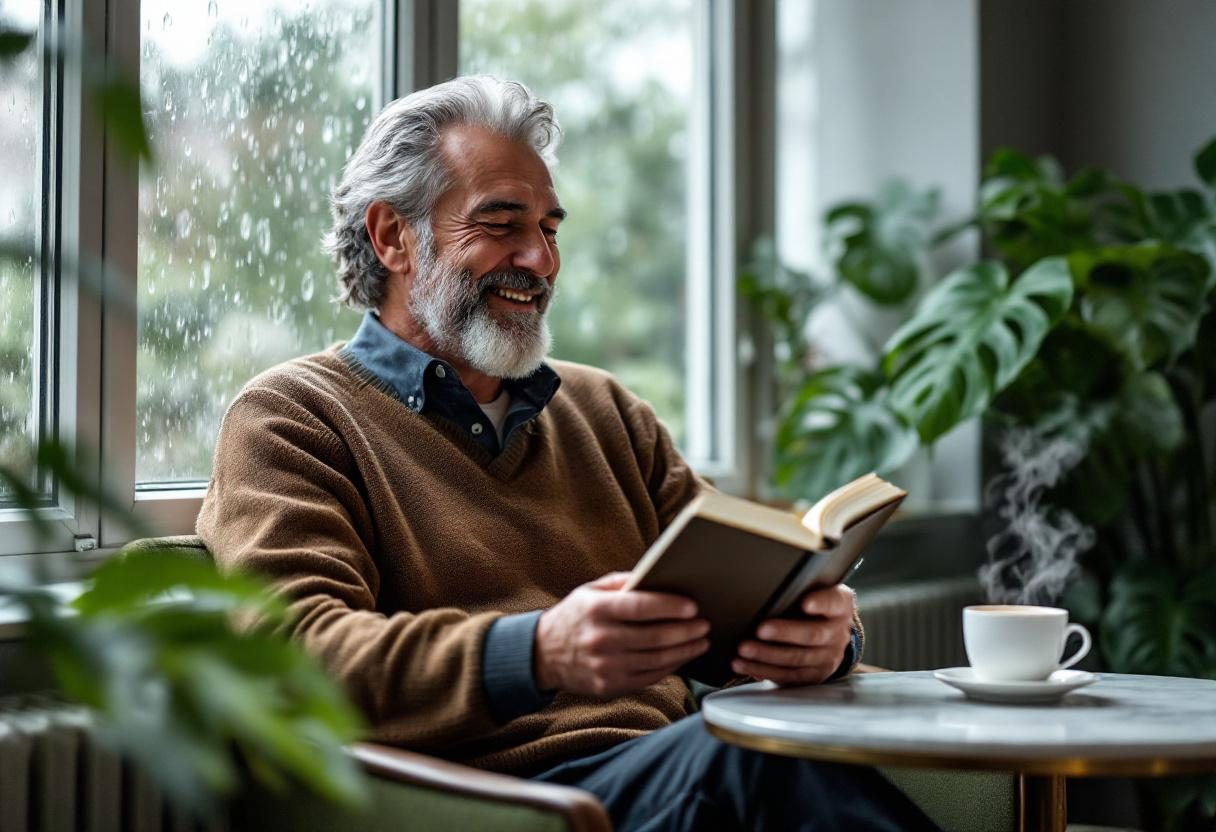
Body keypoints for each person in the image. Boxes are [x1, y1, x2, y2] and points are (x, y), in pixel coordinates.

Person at [197, 75, 936, 831]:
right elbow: (291, 659)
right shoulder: (292, 418)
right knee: (753, 764)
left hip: (670, 775)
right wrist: (540, 650)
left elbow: (735, 588)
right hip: (491, 802)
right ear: (392, 237)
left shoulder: (605, 412)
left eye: (550, 228)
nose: (541, 259)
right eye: (501, 223)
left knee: (769, 760)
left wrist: (821, 639)